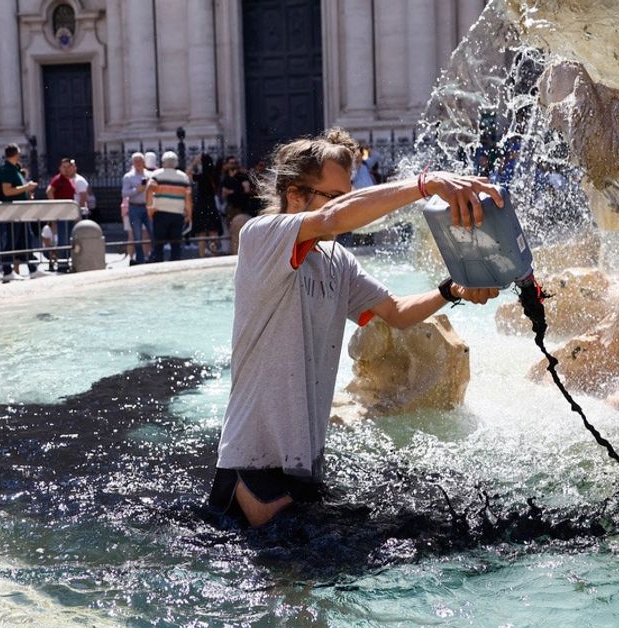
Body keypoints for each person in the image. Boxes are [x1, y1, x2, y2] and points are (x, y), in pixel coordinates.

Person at [209, 129, 501, 527]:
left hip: (304, 467)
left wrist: (452, 290)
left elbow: (396, 312)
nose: (348, 206)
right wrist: (425, 184)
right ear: (296, 195)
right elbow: (333, 217)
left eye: (350, 193)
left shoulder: (336, 259)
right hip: (252, 465)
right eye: (338, 194)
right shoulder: (262, 236)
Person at [0, 143, 39, 282]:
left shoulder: (15, 169)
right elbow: (7, 191)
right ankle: (7, 271)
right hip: (12, 211)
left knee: (27, 239)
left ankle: (33, 269)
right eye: (19, 154)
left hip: (21, 211)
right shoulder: (6, 170)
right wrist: (27, 187)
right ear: (16, 154)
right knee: (11, 240)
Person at [145, 150, 191, 262]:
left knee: (159, 244)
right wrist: (189, 214)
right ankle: (174, 268)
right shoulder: (183, 177)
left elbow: (149, 189)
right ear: (176, 163)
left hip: (160, 212)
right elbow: (188, 197)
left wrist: (149, 207)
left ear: (163, 162)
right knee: (176, 245)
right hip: (177, 213)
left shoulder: (156, 174)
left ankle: (159, 267)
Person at [188, 152, 223, 257]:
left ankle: (202, 255)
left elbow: (187, 174)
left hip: (201, 205)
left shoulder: (201, 177)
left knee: (202, 233)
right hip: (211, 205)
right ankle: (214, 254)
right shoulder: (215, 175)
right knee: (213, 231)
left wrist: (194, 163)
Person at [121, 152, 153, 264]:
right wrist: (137, 190)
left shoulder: (150, 175)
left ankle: (154, 256)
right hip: (135, 207)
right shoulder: (128, 177)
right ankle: (140, 259)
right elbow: (124, 193)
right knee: (137, 235)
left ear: (144, 162)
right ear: (133, 163)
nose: (138, 163)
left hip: (148, 206)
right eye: (136, 161)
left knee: (152, 232)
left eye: (140, 161)